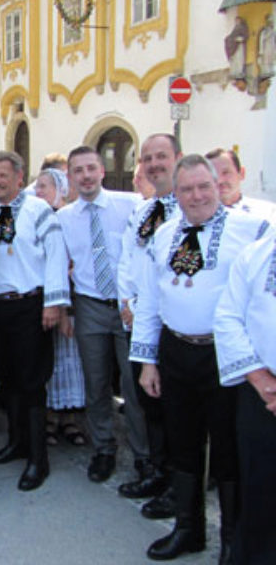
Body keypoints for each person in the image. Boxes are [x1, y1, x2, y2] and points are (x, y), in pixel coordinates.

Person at [132, 154, 272, 562]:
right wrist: (147, 361)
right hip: (176, 351)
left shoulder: (253, 231)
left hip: (227, 357)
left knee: (229, 450)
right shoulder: (162, 235)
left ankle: (232, 539)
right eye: (187, 189)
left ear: (218, 185)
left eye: (203, 186)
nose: (196, 196)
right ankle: (188, 529)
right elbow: (149, 300)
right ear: (176, 193)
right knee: (182, 443)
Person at [56, 146, 148, 485]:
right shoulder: (65, 218)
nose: (86, 176)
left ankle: (143, 455)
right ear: (70, 176)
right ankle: (104, 449)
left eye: (91, 168)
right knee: (95, 384)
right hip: (89, 305)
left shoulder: (131, 206)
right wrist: (65, 310)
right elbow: (60, 266)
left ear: (103, 170)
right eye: (78, 170)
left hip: (128, 308)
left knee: (133, 383)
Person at [0, 152, 70, 492]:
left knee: (32, 382)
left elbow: (56, 255)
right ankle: (17, 443)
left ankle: (38, 459)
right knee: (8, 379)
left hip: (30, 305)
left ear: (20, 177)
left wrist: (54, 303)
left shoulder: (39, 210)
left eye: (4, 175)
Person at [117, 134, 183, 517]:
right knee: (148, 402)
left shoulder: (186, 209)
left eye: (162, 157)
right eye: (148, 158)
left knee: (175, 408)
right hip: (138, 324)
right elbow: (127, 259)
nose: (154, 164)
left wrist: (142, 305)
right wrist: (126, 302)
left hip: (169, 325)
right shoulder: (144, 211)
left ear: (177, 157)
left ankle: (180, 485)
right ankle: (158, 472)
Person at [214, 234, 276, 564]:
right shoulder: (257, 253)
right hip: (261, 394)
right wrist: (260, 379)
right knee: (260, 495)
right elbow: (227, 317)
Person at [34, 168, 87, 447]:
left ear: (60, 189)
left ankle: (70, 418)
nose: (39, 191)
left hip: (69, 299)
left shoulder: (66, 218)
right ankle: (51, 418)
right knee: (50, 362)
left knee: (70, 360)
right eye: (38, 186)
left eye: (45, 186)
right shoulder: (37, 216)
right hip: (44, 298)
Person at [206, 148, 276, 222]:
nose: (220, 180)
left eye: (226, 172)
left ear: (241, 173)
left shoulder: (268, 213)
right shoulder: (195, 220)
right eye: (213, 174)